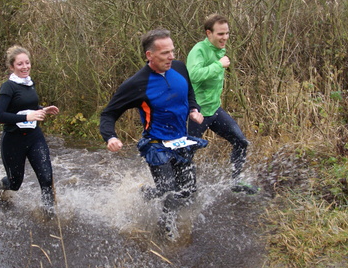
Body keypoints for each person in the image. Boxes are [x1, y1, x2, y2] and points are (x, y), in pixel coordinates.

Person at [99, 29, 207, 240]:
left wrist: (194, 109)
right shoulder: (137, 84)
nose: (171, 57)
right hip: (156, 145)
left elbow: (189, 92)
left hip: (181, 141)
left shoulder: (179, 68)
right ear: (150, 55)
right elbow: (108, 114)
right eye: (165, 53)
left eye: (172, 51)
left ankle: (147, 193)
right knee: (170, 192)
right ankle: (165, 232)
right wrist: (110, 136)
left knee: (189, 191)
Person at [186, 14, 257, 194]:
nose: (225, 38)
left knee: (241, 142)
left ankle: (236, 181)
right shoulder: (199, 50)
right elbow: (194, 75)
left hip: (214, 110)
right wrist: (219, 65)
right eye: (220, 34)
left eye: (227, 33)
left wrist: (218, 62)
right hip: (197, 112)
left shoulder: (219, 50)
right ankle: (184, 189)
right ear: (209, 33)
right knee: (185, 154)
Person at [0, 45, 59, 217]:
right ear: (12, 67)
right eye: (20, 64)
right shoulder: (8, 87)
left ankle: (49, 216)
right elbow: (0, 116)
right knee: (15, 183)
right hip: (13, 140)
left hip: (34, 137)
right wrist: (27, 117)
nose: (25, 67)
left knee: (46, 178)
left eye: (27, 63)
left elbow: (26, 107)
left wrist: (42, 109)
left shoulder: (30, 83)